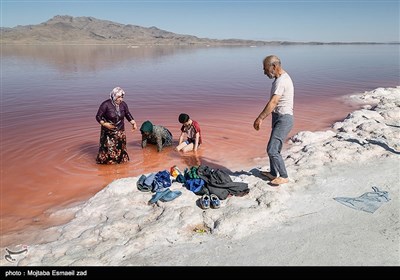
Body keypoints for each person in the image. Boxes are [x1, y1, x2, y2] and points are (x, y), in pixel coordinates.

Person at [253, 55, 294, 185]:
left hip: (284, 119)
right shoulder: (279, 79)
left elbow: (273, 102)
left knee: (272, 149)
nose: (264, 72)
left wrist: (260, 118)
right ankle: (272, 173)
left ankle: (284, 176)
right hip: (277, 117)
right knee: (272, 147)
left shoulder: (282, 81)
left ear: (274, 66)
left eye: (265, 69)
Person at [95, 86, 137, 164]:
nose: (121, 99)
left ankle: (121, 163)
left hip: (120, 132)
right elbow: (98, 116)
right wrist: (104, 124)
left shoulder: (123, 104)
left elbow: (127, 114)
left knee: (121, 148)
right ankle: (106, 164)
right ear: (114, 96)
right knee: (108, 149)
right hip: (108, 132)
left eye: (122, 97)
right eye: (119, 97)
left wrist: (133, 123)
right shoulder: (105, 104)